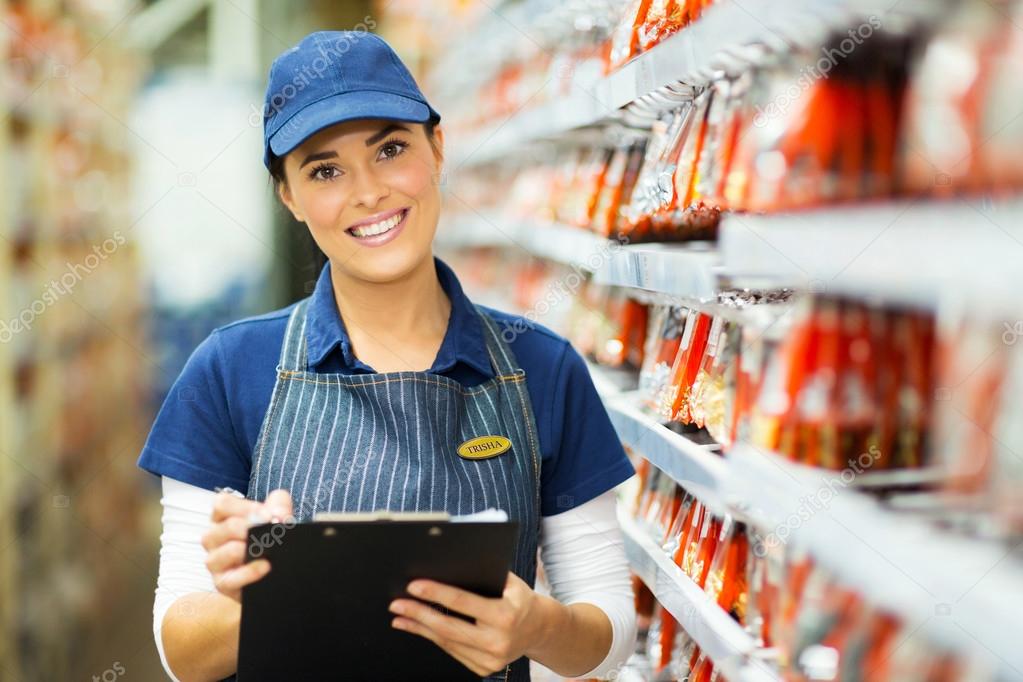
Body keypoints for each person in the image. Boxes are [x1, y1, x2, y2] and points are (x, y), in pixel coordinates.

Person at [138, 30, 636, 682]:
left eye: (390, 149)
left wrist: (536, 626)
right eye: (324, 170)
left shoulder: (540, 367)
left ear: (437, 148)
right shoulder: (229, 370)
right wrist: (267, 594)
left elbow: (608, 630)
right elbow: (179, 649)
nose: (367, 192)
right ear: (287, 196)